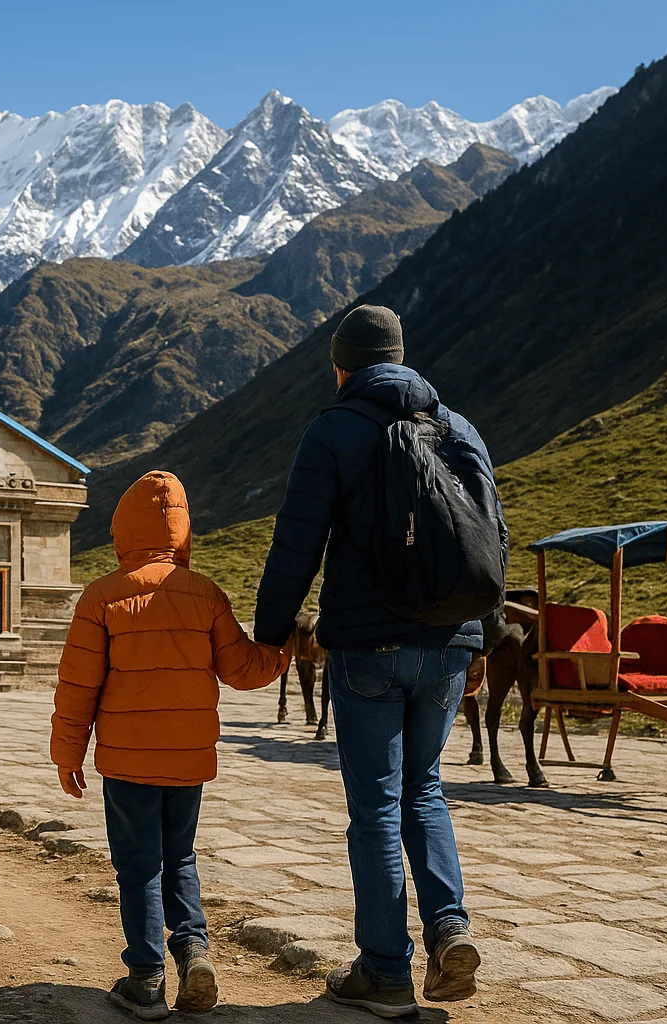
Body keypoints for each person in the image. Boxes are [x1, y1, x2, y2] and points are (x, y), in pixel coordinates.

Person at [254, 305, 493, 1017]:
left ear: (341, 364)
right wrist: (484, 633)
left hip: (368, 648)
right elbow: (491, 537)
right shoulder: (460, 427)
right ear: (400, 357)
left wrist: (270, 638)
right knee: (426, 790)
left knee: (376, 809)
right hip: (450, 642)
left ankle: (385, 971)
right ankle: (449, 930)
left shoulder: (333, 429)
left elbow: (296, 542)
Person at [52, 471, 290, 1020]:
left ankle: (145, 977)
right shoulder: (206, 594)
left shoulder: (102, 597)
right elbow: (240, 667)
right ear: (184, 531)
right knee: (179, 855)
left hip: (127, 758)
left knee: (138, 866)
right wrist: (279, 654)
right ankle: (194, 952)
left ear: (122, 529)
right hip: (188, 756)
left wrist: (68, 753)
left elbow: (78, 685)